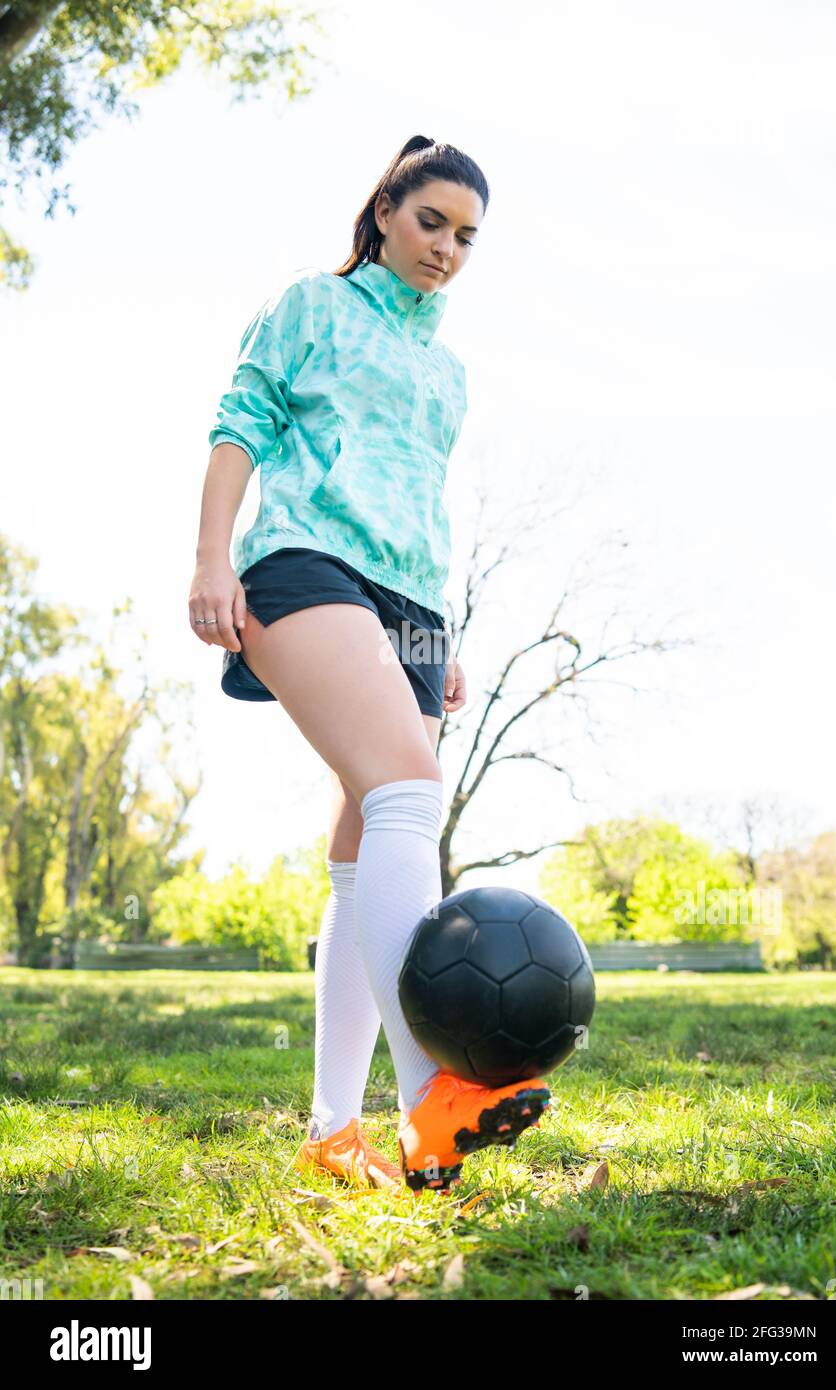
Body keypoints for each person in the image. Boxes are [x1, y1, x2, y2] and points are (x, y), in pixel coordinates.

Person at [189, 135, 550, 1194]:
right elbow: (237, 422)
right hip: (305, 561)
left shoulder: (449, 373)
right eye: (431, 221)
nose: (446, 248)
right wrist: (212, 558)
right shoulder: (311, 304)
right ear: (387, 210)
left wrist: (444, 637)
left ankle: (331, 1129)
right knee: (405, 790)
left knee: (369, 839)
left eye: (467, 238)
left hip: (416, 602)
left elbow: (423, 503)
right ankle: (435, 1092)